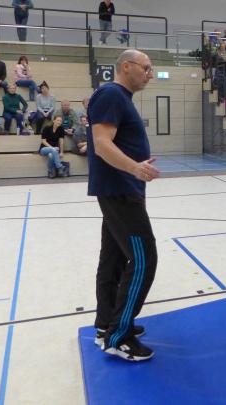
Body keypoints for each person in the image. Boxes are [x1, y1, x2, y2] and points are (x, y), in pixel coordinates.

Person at [88, 49, 158, 362]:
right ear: (126, 66)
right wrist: (135, 168)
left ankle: (106, 324)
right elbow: (102, 144)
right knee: (144, 259)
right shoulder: (111, 95)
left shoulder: (119, 98)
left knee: (114, 259)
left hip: (119, 190)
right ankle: (119, 336)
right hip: (120, 191)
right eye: (146, 68)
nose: (150, 74)